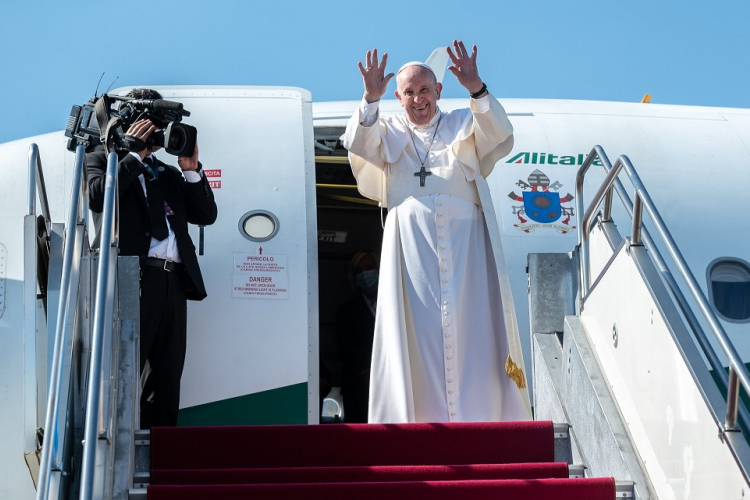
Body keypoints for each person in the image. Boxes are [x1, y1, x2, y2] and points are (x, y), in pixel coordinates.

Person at [342, 40, 531, 423]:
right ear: (398, 96)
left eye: (425, 90)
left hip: (467, 252)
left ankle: (482, 419)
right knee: (417, 336)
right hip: (410, 253)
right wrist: (370, 99)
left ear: (438, 91)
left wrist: (477, 89)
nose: (417, 100)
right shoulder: (387, 127)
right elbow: (359, 145)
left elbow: (499, 133)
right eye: (408, 92)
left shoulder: (463, 120)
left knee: (471, 332)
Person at [87, 88, 218, 428]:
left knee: (169, 371)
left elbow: (205, 214)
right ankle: (114, 437)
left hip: (173, 279)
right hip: (134, 277)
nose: (155, 134)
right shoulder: (102, 158)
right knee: (126, 365)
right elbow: (99, 197)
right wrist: (129, 156)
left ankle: (162, 450)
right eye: (149, 126)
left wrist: (191, 169)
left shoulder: (168, 173)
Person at [336, 252, 379, 423]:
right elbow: (346, 351)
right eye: (359, 271)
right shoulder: (346, 311)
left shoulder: (397, 304)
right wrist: (367, 374)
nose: (365, 274)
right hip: (358, 390)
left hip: (391, 385)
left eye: (369, 268)